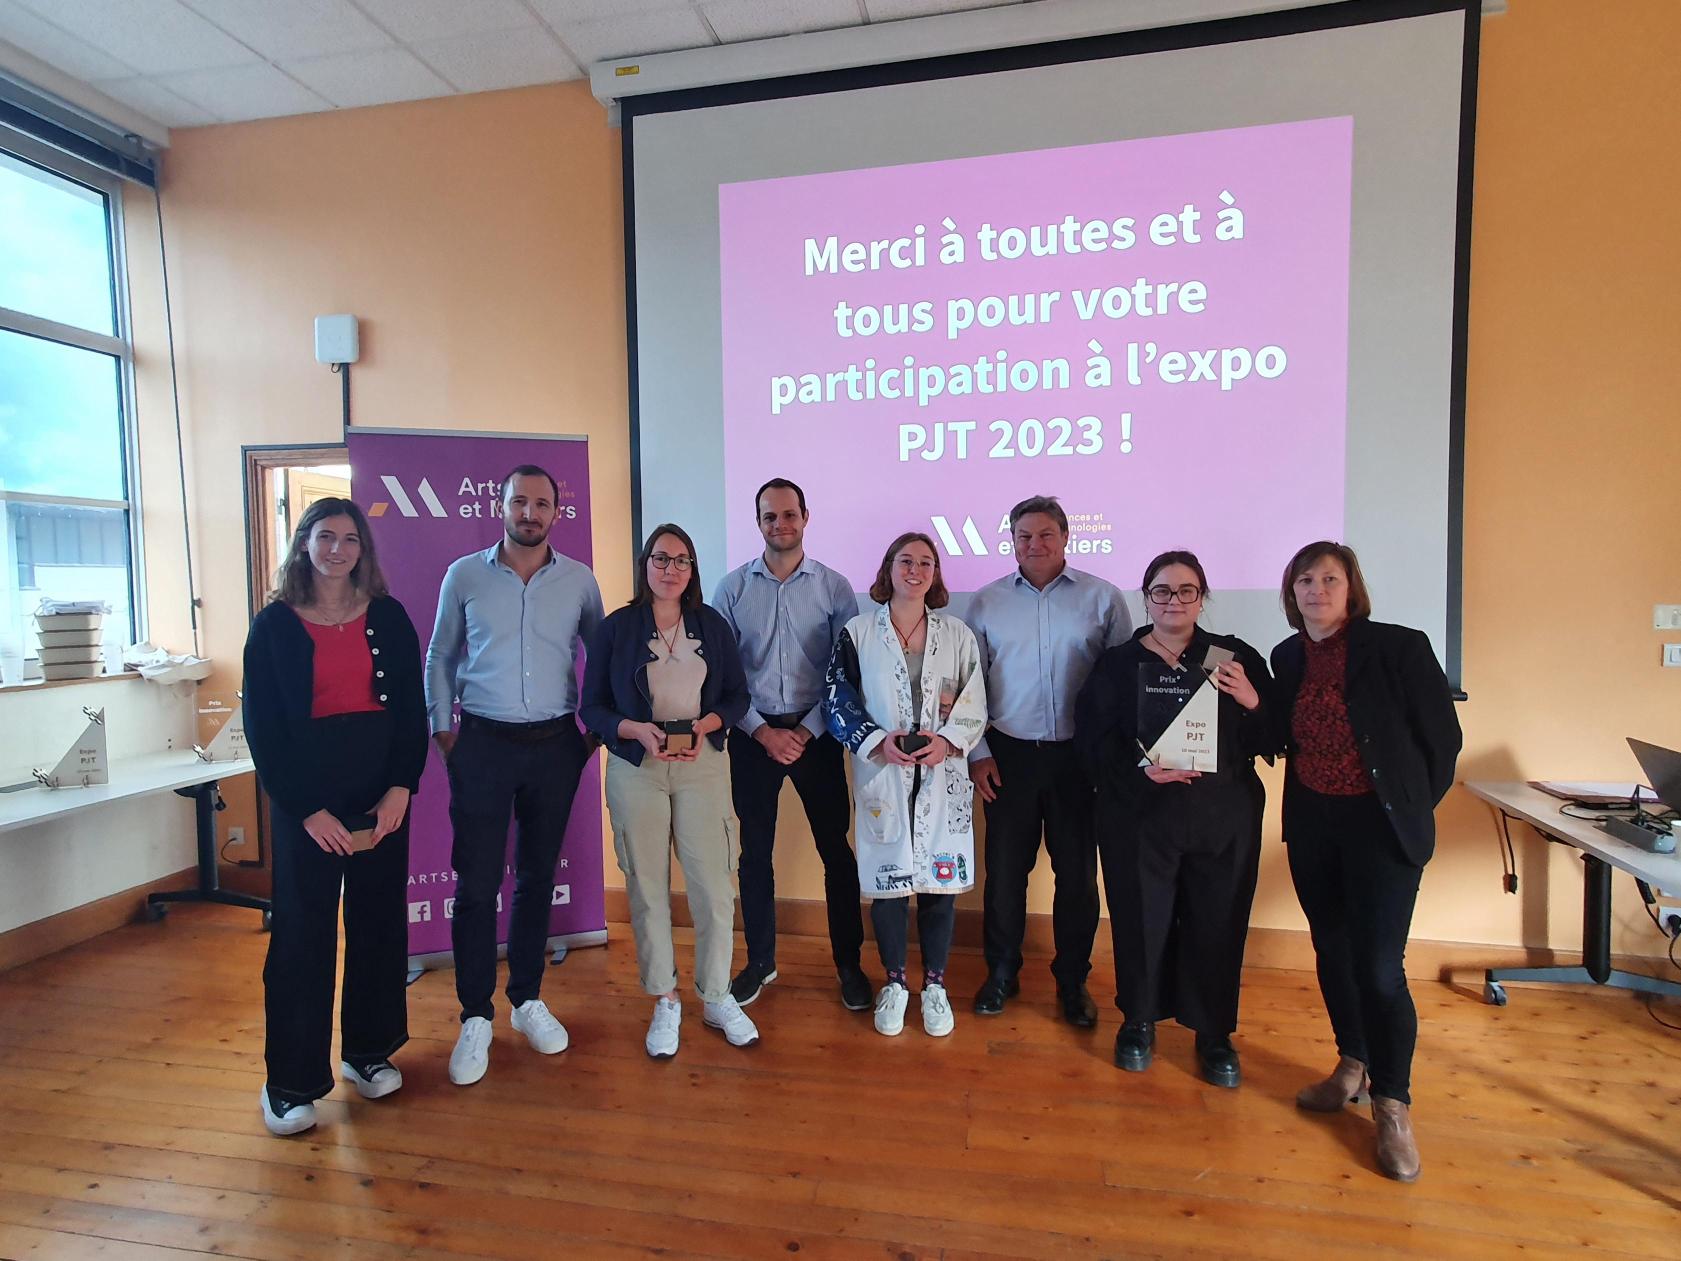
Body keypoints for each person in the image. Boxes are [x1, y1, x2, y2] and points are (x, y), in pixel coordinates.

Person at [1271, 541, 1461, 1183]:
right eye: (1305, 580)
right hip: (1314, 826)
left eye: (1330, 578)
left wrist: (1406, 807)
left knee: (1380, 968)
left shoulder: (1400, 647)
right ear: (1291, 593)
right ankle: (1351, 1063)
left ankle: (1392, 1104)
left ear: (1351, 588)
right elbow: (1282, 736)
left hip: (1380, 830)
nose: (1317, 590)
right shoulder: (1288, 656)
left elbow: (1442, 742)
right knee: (1332, 951)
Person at [242, 497, 427, 1136]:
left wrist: (401, 788)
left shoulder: (389, 617)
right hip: (307, 802)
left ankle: (368, 1052)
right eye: (325, 537)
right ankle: (290, 1084)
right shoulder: (273, 626)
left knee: (378, 925)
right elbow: (264, 730)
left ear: (362, 550)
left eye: (350, 539)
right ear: (304, 543)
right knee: (303, 936)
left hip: (379, 795)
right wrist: (306, 810)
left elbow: (412, 712)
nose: (337, 550)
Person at [425, 466, 605, 1086]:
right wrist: (442, 731)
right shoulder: (464, 575)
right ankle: (475, 1015)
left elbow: (602, 657)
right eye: (519, 502)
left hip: (555, 747)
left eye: (541, 503)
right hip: (481, 743)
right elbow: (440, 654)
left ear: (557, 511)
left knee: (535, 878)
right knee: (477, 886)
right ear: (500, 507)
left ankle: (526, 999)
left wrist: (591, 733)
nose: (530, 513)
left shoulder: (579, 580)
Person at [1074, 551, 1275, 1088]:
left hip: (1223, 818)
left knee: (1217, 921)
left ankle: (1214, 1032)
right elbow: (1091, 743)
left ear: (1202, 598)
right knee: (1140, 920)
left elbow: (1275, 737)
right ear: (1147, 599)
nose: (1174, 601)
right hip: (1139, 819)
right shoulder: (1118, 663)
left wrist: (1253, 701)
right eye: (1162, 591)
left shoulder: (1233, 658)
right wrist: (1139, 769)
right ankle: (1138, 1021)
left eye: (1187, 591)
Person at [580, 523, 760, 1058]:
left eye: (682, 560)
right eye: (661, 558)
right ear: (646, 565)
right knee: (647, 888)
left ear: (692, 569)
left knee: (714, 887)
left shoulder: (713, 625)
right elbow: (591, 707)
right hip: (637, 767)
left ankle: (717, 995)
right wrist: (634, 730)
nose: (670, 569)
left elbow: (737, 697)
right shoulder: (616, 629)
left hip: (703, 765)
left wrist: (706, 725)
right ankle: (665, 998)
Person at [965, 495, 1132, 1026]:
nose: (1034, 544)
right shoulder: (986, 602)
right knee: (1005, 874)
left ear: (1065, 537)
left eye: (1045, 534)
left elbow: (1124, 687)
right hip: (1008, 756)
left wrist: (1110, 762)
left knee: (1077, 876)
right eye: (1024, 536)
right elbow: (969, 686)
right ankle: (1001, 972)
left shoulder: (1103, 599)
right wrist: (978, 753)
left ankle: (1072, 981)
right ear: (1012, 541)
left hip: (1078, 760)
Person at [713, 479, 870, 1010]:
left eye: (788, 514)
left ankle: (849, 964)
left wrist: (805, 731)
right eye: (769, 516)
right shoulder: (732, 589)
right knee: (754, 853)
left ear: (805, 517)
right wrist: (761, 730)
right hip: (752, 736)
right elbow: (722, 674)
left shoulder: (834, 588)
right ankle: (760, 961)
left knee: (836, 850)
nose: (779, 524)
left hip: (816, 737)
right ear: (757, 522)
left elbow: (845, 672)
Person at [824, 532, 987, 1038]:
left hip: (943, 772)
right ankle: (895, 983)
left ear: (935, 573)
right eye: (905, 561)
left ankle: (934, 985)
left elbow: (975, 698)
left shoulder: (958, 634)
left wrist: (949, 741)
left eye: (925, 563)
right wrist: (876, 740)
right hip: (884, 771)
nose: (915, 570)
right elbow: (837, 697)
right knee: (889, 880)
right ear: (888, 569)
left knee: (940, 881)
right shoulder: (857, 632)